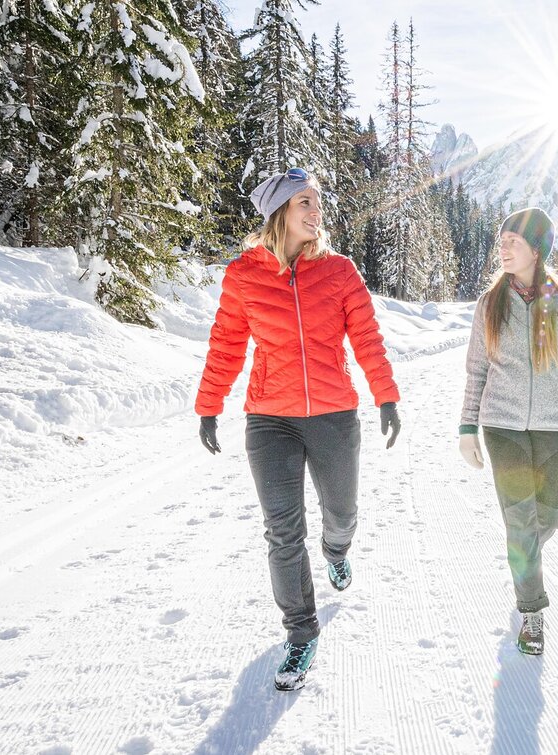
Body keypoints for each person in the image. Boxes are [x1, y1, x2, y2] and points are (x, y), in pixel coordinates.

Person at [195, 168, 402, 691]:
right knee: (283, 532)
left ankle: (337, 552)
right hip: (270, 419)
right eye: (304, 202)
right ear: (279, 212)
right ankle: (301, 633)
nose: (315, 211)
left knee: (342, 511)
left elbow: (368, 339)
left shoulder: (340, 271)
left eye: (317, 202)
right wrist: (209, 404)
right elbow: (225, 344)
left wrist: (386, 396)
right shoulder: (244, 275)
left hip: (333, 414)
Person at [458, 207, 558, 656]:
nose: (503, 247)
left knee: (552, 510)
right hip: (502, 426)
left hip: (554, 427)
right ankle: (532, 612)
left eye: (513, 241)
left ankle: (523, 553)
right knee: (520, 518)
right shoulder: (489, 303)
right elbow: (477, 367)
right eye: (501, 240)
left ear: (536, 249)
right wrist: (467, 426)